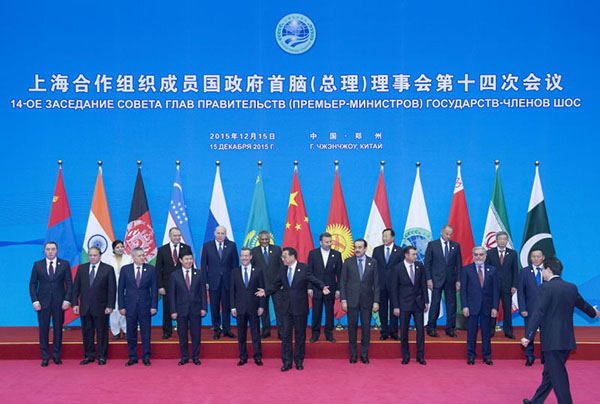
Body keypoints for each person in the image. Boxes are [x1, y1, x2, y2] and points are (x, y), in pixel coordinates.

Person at [521, 257, 599, 404]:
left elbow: (538, 312)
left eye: (543, 269)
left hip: (552, 340)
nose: (542, 272)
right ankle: (536, 401)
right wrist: (594, 313)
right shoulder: (571, 287)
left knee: (558, 375)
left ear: (549, 270)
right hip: (567, 339)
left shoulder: (545, 288)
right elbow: (582, 304)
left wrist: (528, 336)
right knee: (550, 373)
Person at [256, 247, 330, 372]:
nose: (282, 259)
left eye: (284, 256)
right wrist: (265, 292)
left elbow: (313, 279)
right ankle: (287, 362)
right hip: (285, 308)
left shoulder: (304, 268)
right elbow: (275, 284)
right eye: (282, 257)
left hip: (300, 308)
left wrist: (322, 287)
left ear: (292, 257)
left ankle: (299, 361)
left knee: (300, 335)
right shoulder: (282, 269)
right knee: (286, 336)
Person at [29, 241, 72, 367]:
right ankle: (45, 356)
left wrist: (67, 300)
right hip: (42, 303)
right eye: (48, 249)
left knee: (58, 329)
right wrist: (35, 300)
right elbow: (32, 284)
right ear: (44, 250)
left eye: (53, 249)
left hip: (59, 303)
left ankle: (57, 356)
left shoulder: (64, 264)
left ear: (57, 250)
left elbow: (69, 284)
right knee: (43, 330)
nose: (50, 251)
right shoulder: (37, 265)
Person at [72, 246, 116, 365]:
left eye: (95, 255)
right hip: (85, 307)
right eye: (90, 255)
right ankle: (89, 356)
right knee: (87, 332)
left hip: (102, 308)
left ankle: (102, 356)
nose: (92, 257)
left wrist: (110, 305)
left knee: (102, 333)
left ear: (100, 256)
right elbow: (75, 288)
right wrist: (75, 303)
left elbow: (112, 289)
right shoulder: (81, 269)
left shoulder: (108, 269)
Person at [339, 239, 379, 364]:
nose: (357, 249)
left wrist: (376, 301)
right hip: (351, 300)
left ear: (365, 249)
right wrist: (343, 300)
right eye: (356, 247)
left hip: (367, 301)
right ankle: (353, 354)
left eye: (360, 247)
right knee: (352, 328)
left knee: (366, 328)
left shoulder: (373, 262)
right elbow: (343, 282)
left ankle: (364, 354)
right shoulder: (348, 262)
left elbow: (376, 284)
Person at [118, 247, 158, 366]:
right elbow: (120, 289)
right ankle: (132, 357)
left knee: (146, 333)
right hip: (129, 306)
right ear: (133, 257)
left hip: (145, 306)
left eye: (143, 255)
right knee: (131, 332)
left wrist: (153, 306)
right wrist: (121, 306)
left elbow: (154, 289)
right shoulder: (125, 270)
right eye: (139, 256)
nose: (142, 257)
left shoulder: (150, 269)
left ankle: (146, 357)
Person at [460, 246, 498, 365]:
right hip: (471, 307)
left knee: (486, 333)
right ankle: (471, 356)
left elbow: (496, 290)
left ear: (485, 256)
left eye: (481, 254)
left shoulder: (492, 270)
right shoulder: (466, 270)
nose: (478, 257)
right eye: (476, 254)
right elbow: (463, 290)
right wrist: (464, 306)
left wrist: (495, 307)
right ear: (473, 256)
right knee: (471, 332)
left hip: (487, 307)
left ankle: (487, 356)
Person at [169, 250, 207, 366]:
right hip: (181, 310)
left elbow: (203, 293)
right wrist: (173, 311)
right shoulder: (174, 275)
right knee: (183, 335)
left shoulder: (199, 273)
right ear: (181, 260)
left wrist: (204, 308)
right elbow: (172, 295)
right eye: (186, 259)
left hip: (196, 309)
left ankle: (195, 357)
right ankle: (184, 357)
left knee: (196, 334)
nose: (189, 261)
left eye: (191, 259)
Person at [200, 225, 239, 340]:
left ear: (226, 234)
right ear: (214, 233)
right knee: (214, 307)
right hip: (213, 282)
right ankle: (217, 329)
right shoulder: (207, 246)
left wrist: (234, 282)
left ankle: (227, 330)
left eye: (223, 233)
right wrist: (205, 281)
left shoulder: (232, 245)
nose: (220, 235)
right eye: (218, 233)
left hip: (228, 282)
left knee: (227, 307)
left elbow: (235, 265)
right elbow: (203, 265)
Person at [424, 224, 462, 338]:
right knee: (434, 304)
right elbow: (427, 264)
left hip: (451, 280)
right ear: (441, 232)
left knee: (452, 305)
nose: (448, 236)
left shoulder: (456, 245)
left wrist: (459, 280)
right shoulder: (432, 245)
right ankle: (431, 327)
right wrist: (429, 279)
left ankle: (450, 328)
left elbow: (459, 265)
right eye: (446, 234)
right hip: (436, 280)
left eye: (450, 234)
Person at [392, 245, 428, 365]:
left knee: (420, 331)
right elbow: (394, 289)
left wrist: (426, 301)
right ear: (406, 255)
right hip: (404, 304)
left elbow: (423, 285)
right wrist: (396, 306)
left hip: (418, 303)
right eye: (413, 254)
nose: (415, 256)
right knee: (404, 331)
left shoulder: (420, 266)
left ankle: (420, 356)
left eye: (416, 254)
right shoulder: (397, 268)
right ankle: (406, 356)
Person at [231, 248, 265, 366]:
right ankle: (243, 357)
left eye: (246, 256)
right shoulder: (235, 271)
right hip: (239, 308)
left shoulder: (258, 271)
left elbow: (262, 289)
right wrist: (233, 307)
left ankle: (257, 356)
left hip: (254, 307)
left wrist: (261, 306)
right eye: (242, 256)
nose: (244, 258)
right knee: (241, 334)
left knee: (255, 333)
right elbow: (232, 291)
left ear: (251, 257)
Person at [156, 227, 192, 339]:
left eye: (178, 235)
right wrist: (160, 286)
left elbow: (190, 266)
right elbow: (158, 269)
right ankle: (167, 331)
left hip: (183, 285)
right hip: (167, 286)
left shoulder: (186, 248)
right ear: (170, 236)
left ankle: (183, 330)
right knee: (167, 308)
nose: (177, 237)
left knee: (183, 308)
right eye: (174, 235)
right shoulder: (162, 249)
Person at [307, 232, 343, 343]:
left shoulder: (336, 254)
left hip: (331, 289)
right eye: (326, 242)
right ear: (320, 242)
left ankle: (329, 334)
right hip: (316, 288)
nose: (329, 244)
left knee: (329, 312)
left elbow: (340, 274)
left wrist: (338, 289)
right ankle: (315, 334)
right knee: (316, 313)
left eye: (330, 241)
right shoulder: (313, 254)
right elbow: (309, 272)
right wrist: (309, 288)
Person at [485, 231, 518, 339]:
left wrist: (514, 285)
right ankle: (490, 331)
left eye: (505, 239)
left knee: (507, 309)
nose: (503, 241)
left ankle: (508, 331)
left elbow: (515, 271)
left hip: (507, 287)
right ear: (496, 240)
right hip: (493, 286)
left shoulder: (512, 253)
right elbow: (487, 270)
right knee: (492, 308)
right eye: (500, 239)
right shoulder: (490, 253)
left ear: (507, 241)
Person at [250, 230, 282, 339]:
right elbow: (252, 269)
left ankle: (281, 332)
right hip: (261, 286)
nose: (264, 241)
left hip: (276, 286)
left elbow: (282, 267)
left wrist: (281, 282)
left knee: (279, 310)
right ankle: (266, 331)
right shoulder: (254, 251)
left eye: (266, 239)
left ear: (269, 239)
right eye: (262, 239)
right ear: (259, 240)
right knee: (263, 310)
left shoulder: (277, 249)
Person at [372, 228, 403, 340]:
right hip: (381, 284)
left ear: (393, 238)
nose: (384, 238)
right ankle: (384, 331)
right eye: (383, 236)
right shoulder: (377, 250)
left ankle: (394, 332)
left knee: (395, 308)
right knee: (383, 309)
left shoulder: (399, 251)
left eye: (387, 236)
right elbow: (374, 268)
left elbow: (401, 269)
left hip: (395, 285)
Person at [518, 248, 546, 366]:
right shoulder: (524, 271)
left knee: (546, 334)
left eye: (538, 256)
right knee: (530, 333)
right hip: (530, 309)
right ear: (530, 258)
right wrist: (523, 308)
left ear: (543, 258)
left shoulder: (548, 271)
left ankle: (545, 356)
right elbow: (521, 292)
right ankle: (530, 356)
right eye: (533, 256)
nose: (536, 258)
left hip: (546, 310)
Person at [104, 240, 132, 340]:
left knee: (124, 309)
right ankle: (115, 332)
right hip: (112, 288)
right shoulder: (108, 259)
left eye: (121, 247)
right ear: (113, 249)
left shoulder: (129, 258)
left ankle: (125, 331)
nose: (120, 249)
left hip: (126, 288)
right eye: (117, 247)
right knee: (114, 310)